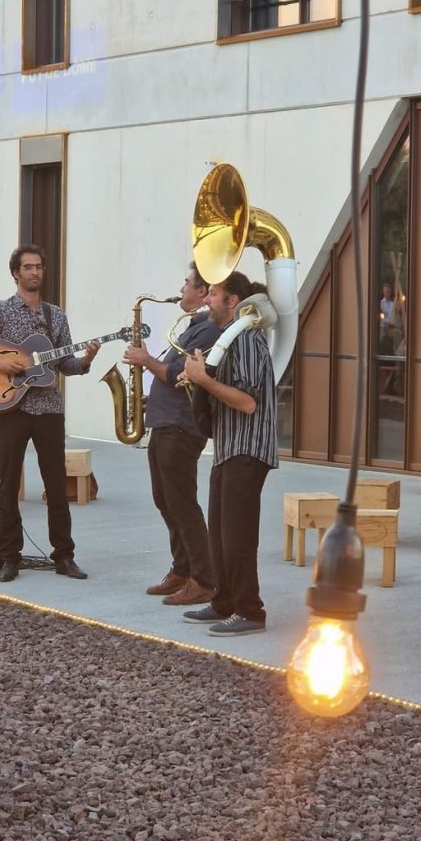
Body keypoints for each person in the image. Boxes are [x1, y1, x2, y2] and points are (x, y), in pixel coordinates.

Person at [0, 243, 100, 583]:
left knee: (55, 483)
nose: (35, 272)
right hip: (10, 407)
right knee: (8, 485)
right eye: (28, 267)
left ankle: (64, 556)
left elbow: (66, 364)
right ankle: (9, 557)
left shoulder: (56, 316)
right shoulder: (1, 312)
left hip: (49, 408)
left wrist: (87, 360)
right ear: (16, 273)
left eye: (39, 267)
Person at [180, 271, 278, 636]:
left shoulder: (249, 338)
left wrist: (204, 380)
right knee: (220, 533)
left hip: (248, 449)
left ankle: (251, 611)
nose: (206, 299)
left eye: (214, 294)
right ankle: (225, 602)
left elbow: (250, 403)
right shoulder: (231, 339)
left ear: (232, 301)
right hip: (229, 447)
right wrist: (199, 382)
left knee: (238, 536)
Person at [123, 264, 220, 605]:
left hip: (180, 427)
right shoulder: (191, 327)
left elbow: (177, 374)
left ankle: (204, 579)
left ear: (203, 292)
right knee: (165, 501)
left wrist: (144, 358)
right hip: (166, 422)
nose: (181, 288)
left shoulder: (207, 331)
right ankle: (182, 568)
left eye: (187, 283)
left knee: (182, 504)